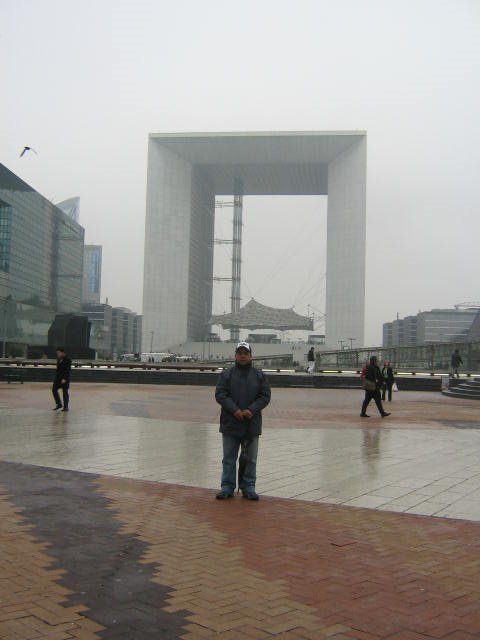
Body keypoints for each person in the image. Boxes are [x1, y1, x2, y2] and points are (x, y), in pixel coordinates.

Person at [215, 341, 271, 501]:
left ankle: (249, 487)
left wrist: (251, 410)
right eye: (240, 353)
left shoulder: (260, 375)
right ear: (235, 356)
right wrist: (235, 410)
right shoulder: (226, 374)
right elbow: (220, 394)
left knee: (251, 459)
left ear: (251, 356)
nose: (242, 356)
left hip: (251, 424)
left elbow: (265, 396)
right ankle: (227, 487)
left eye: (245, 353)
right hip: (230, 423)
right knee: (228, 458)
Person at [52, 347, 71, 412]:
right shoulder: (59, 359)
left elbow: (68, 370)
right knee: (54, 390)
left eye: (58, 353)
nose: (58, 354)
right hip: (58, 378)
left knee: (65, 392)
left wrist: (65, 378)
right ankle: (59, 404)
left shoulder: (68, 360)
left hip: (64, 379)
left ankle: (66, 407)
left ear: (62, 353)